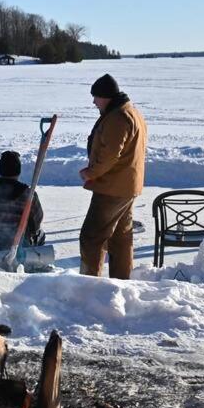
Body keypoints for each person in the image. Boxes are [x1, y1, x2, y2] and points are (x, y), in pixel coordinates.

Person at [78, 74, 147, 279]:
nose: (93, 102)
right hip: (126, 186)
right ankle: (121, 281)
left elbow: (110, 155)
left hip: (112, 188)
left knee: (91, 237)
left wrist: (91, 172)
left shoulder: (118, 117)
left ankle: (89, 283)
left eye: (96, 97)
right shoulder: (131, 113)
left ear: (106, 96)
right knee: (120, 238)